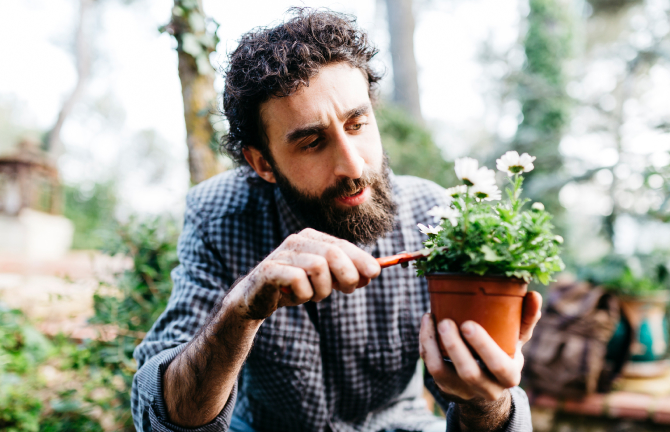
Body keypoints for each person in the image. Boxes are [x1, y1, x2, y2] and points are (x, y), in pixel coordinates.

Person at [132, 8, 542, 432]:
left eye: (357, 123)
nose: (353, 166)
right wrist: (240, 312)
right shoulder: (217, 214)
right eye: (312, 142)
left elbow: (476, 404)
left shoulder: (433, 216)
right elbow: (161, 419)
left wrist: (485, 402)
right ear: (263, 163)